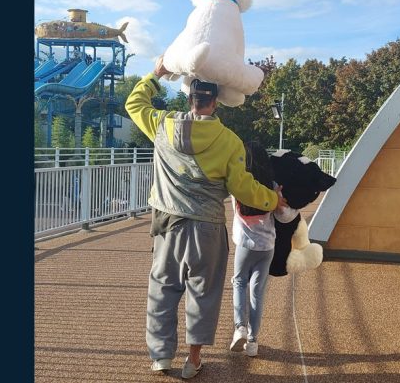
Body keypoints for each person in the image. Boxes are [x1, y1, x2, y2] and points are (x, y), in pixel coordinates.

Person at [125, 56, 287, 379]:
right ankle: (192, 360)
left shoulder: (162, 125)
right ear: (216, 102)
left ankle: (160, 358)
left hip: (167, 225)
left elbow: (134, 102)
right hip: (207, 230)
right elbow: (243, 189)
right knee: (203, 292)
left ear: (189, 97)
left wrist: (157, 72)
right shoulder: (229, 142)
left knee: (162, 289)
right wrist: (273, 199)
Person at [229, 141, 299, 357]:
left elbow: (236, 207)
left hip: (244, 244)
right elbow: (285, 216)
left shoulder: (240, 183)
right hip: (267, 246)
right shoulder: (273, 186)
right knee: (257, 292)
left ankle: (239, 327)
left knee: (239, 282)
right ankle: (253, 341)